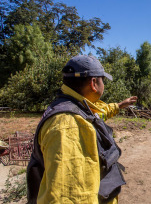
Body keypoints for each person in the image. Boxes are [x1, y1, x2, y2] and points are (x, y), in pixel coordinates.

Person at [27, 55, 137, 204]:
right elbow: (69, 197)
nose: (103, 84)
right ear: (94, 83)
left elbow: (98, 114)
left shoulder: (73, 105)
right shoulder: (69, 125)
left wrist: (119, 105)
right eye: (102, 80)